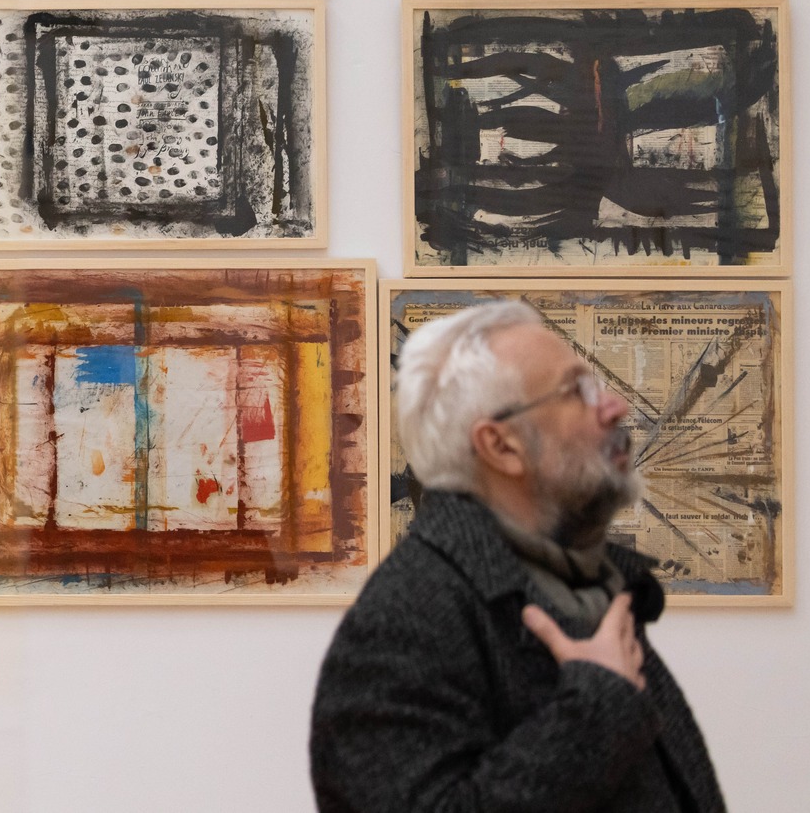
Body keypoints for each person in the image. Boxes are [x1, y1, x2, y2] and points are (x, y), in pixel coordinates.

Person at [309, 300, 724, 813]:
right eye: (577, 391)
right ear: (501, 445)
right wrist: (595, 709)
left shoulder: (582, 585)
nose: (615, 407)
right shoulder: (403, 618)